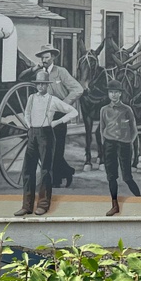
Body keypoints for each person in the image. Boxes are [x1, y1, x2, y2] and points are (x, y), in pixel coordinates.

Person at [14, 70, 78, 217]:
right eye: (38, 84)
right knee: (27, 170)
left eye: (43, 84)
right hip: (32, 134)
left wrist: (57, 122)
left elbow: (73, 112)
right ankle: (26, 206)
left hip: (46, 135)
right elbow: (27, 113)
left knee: (45, 171)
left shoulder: (53, 100)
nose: (41, 87)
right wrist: (29, 125)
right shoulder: (31, 98)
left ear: (48, 85)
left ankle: (43, 205)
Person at [19, 44, 83, 187]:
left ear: (53, 57)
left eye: (47, 57)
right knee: (45, 148)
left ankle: (57, 180)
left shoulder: (61, 72)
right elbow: (21, 78)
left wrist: (63, 104)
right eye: (42, 58)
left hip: (58, 115)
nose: (44, 60)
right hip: (42, 115)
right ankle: (66, 172)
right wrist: (34, 68)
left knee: (57, 148)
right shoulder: (39, 73)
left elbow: (78, 89)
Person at [99, 79, 141, 216]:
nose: (114, 95)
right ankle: (114, 205)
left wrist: (128, 141)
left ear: (120, 94)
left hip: (124, 145)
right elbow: (102, 128)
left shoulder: (127, 109)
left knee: (127, 177)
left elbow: (134, 130)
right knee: (111, 177)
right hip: (109, 144)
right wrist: (105, 143)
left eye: (116, 92)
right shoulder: (104, 110)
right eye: (111, 92)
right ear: (108, 94)